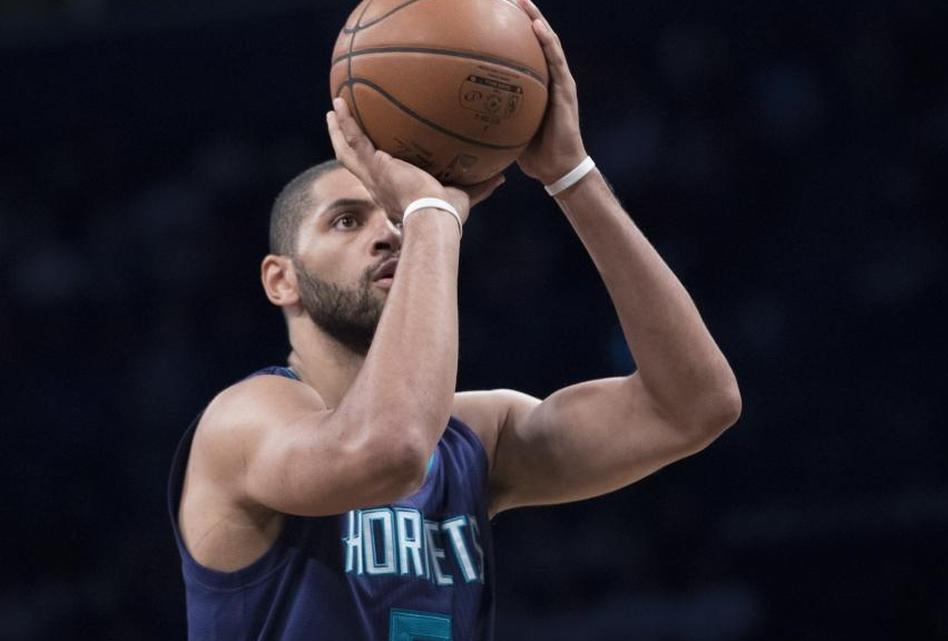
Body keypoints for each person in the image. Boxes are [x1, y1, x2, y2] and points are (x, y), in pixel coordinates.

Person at [167, 1, 740, 639]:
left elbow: (694, 405)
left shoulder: (474, 440)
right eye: (348, 220)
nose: (388, 232)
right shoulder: (243, 422)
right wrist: (432, 213)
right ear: (281, 279)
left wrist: (570, 175)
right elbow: (389, 450)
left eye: (394, 216)